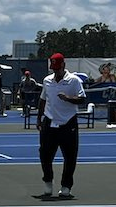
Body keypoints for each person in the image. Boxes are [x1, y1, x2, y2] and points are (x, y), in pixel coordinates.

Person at [37, 52, 86, 198]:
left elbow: (82, 99)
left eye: (58, 68)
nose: (56, 71)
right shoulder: (47, 81)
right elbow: (43, 99)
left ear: (63, 65)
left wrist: (68, 98)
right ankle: (48, 181)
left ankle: (66, 186)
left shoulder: (74, 80)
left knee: (70, 157)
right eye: (53, 69)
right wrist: (39, 118)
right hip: (50, 121)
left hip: (68, 122)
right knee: (45, 154)